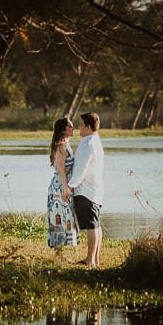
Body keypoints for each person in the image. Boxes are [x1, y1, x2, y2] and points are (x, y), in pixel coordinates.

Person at [69, 111, 105, 268]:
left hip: (86, 191)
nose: (79, 127)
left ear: (88, 127)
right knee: (95, 225)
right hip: (95, 190)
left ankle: (90, 260)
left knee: (91, 226)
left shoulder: (88, 144)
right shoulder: (95, 141)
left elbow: (81, 169)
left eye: (81, 125)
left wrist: (70, 186)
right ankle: (94, 260)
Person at [46, 116, 79, 250]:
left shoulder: (67, 143)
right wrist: (66, 189)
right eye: (70, 126)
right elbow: (61, 171)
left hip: (65, 184)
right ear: (63, 130)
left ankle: (62, 250)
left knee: (68, 215)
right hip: (59, 186)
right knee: (58, 216)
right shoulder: (60, 147)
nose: (73, 128)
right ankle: (57, 252)